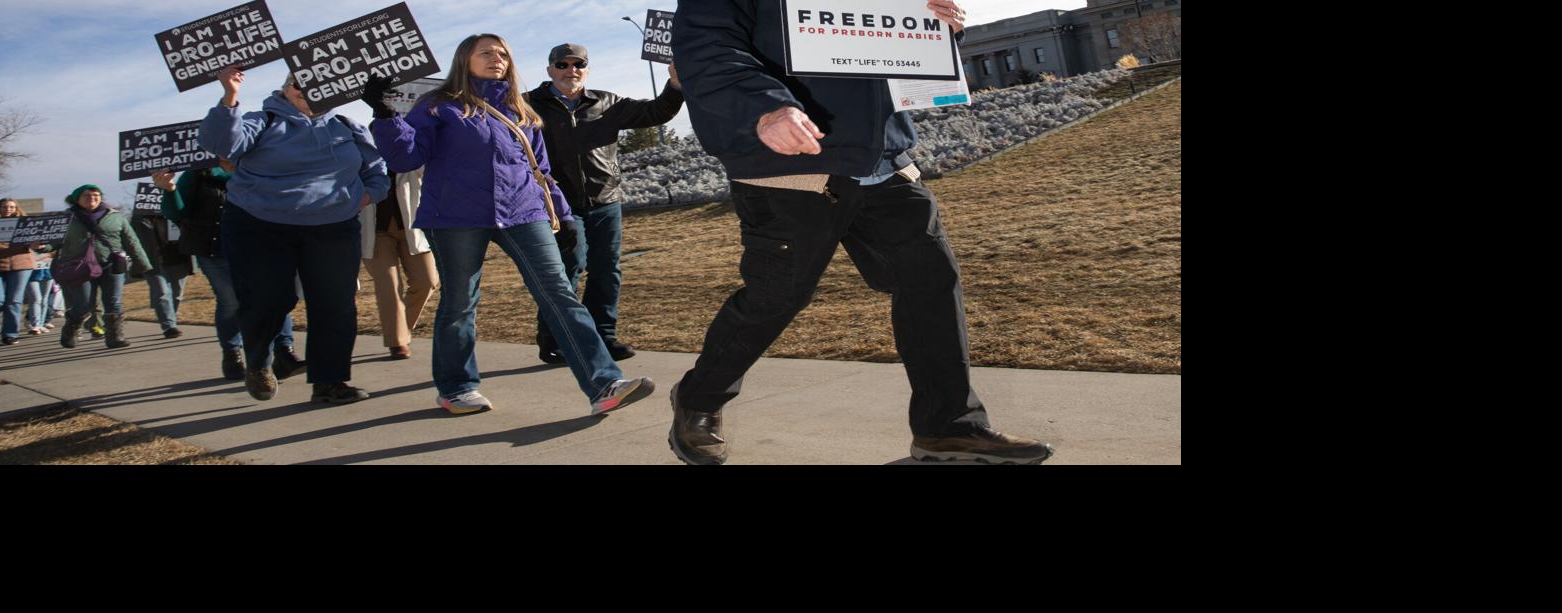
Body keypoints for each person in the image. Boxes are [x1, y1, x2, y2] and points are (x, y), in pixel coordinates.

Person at [666, 0, 1054, 465]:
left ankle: (948, 428)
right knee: (777, 295)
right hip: (787, 161)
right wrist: (764, 107)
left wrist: (937, 30)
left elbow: (886, 39)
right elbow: (706, 47)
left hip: (882, 157)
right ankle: (699, 398)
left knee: (929, 283)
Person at [365, 34, 653, 416]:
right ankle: (457, 389)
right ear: (464, 60)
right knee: (460, 301)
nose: (496, 58)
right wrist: (385, 116)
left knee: (559, 293)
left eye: (502, 53)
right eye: (486, 52)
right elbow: (406, 158)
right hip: (455, 216)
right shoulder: (438, 106)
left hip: (523, 211)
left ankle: (604, 384)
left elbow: (541, 170)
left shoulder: (521, 111)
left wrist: (564, 215)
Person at [199, 66, 389, 404]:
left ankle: (329, 382)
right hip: (260, 224)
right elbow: (222, 144)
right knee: (267, 299)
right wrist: (230, 95)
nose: (308, 90)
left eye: (319, 83)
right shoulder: (263, 120)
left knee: (334, 304)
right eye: (299, 83)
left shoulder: (346, 125)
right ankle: (259, 361)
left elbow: (376, 171)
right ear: (286, 89)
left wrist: (364, 196)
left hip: (333, 226)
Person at [524, 44, 686, 363]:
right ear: (549, 70)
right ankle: (553, 338)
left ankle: (604, 337)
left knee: (606, 269)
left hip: (605, 201)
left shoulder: (606, 102)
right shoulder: (528, 105)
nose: (571, 70)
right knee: (568, 268)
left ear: (586, 69)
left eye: (579, 64)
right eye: (562, 64)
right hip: (558, 204)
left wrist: (676, 85)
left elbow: (656, 112)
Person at [156, 165, 305, 381]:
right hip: (215, 250)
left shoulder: (260, 165)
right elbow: (175, 212)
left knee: (275, 297)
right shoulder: (197, 174)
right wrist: (170, 190)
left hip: (260, 247)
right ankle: (232, 354)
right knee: (231, 301)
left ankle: (284, 353)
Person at [55, 185, 151, 349]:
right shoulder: (66, 218)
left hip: (112, 264)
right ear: (77, 199)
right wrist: (42, 247)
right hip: (79, 266)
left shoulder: (116, 216)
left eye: (96, 195)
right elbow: (53, 241)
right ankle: (71, 329)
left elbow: (132, 241)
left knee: (113, 302)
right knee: (83, 303)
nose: (92, 198)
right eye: (86, 195)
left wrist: (143, 264)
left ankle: (115, 337)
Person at [360, 168, 438, 359]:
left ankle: (401, 329)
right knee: (389, 285)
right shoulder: (362, 149)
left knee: (427, 281)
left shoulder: (410, 147)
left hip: (413, 223)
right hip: (374, 230)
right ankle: (398, 342)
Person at [129, 199, 194, 339]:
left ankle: (170, 319)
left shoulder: (177, 209)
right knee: (162, 292)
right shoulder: (140, 217)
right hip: (152, 261)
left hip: (178, 258)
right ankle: (169, 326)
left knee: (177, 294)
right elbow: (132, 237)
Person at [0, 198, 41, 345]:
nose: (8, 209)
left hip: (20, 264)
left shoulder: (26, 225)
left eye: (11, 207)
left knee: (14, 300)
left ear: (16, 209)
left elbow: (39, 244)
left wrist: (39, 245)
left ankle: (10, 333)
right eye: (4, 206)